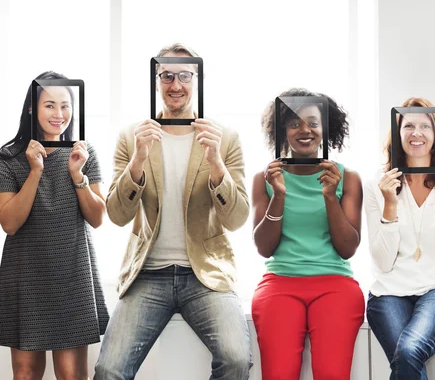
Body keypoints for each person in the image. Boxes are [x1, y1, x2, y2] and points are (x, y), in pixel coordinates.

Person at [94, 43, 252, 380]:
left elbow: (237, 219)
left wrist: (216, 164)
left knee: (237, 359)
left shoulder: (225, 138)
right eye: (167, 75)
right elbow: (117, 215)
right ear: (156, 81)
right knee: (108, 369)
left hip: (205, 275)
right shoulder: (131, 136)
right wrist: (137, 158)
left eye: (184, 75)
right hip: (148, 273)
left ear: (197, 79)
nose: (175, 84)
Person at [0, 71, 108, 380]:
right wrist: (35, 171)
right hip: (25, 274)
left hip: (72, 273)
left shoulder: (84, 154)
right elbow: (9, 223)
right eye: (49, 105)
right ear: (33, 108)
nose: (58, 114)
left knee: (72, 374)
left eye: (65, 105)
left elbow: (98, 218)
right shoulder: (8, 158)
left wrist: (78, 176)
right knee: (25, 373)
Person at [251, 88, 365, 380]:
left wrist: (329, 195)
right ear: (281, 131)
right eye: (294, 124)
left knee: (331, 374)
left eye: (313, 123)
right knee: (279, 375)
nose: (305, 130)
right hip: (280, 283)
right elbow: (264, 248)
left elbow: (348, 248)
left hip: (335, 284)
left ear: (326, 129)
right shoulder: (264, 179)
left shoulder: (346, 178)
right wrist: (279, 194)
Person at [365, 97, 435, 380]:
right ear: (397, 135)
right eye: (408, 125)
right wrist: (389, 205)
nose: (416, 132)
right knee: (406, 358)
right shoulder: (377, 184)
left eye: (425, 125)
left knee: (408, 352)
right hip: (389, 292)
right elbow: (383, 263)